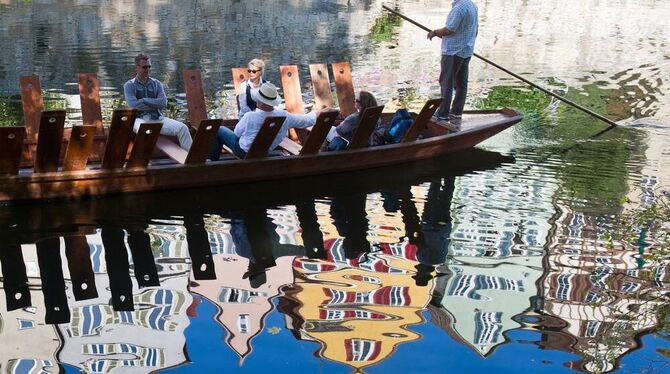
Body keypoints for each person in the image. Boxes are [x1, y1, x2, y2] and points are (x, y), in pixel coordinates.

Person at [209, 82, 317, 160]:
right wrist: (319, 113)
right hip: (265, 151)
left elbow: (237, 133)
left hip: (244, 152)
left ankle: (212, 162)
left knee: (219, 130)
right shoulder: (284, 116)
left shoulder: (250, 116)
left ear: (261, 101)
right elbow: (306, 120)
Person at [124, 53, 193, 150]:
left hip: (157, 118)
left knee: (183, 128)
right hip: (138, 119)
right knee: (144, 129)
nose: (148, 69)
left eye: (149, 66)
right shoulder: (129, 85)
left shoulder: (157, 84)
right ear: (137, 67)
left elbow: (163, 103)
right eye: (144, 67)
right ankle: (142, 161)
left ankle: (191, 159)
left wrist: (144, 100)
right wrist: (155, 103)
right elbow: (134, 105)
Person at [427, 0, 479, 121]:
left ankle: (443, 113)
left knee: (447, 83)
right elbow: (475, 31)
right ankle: (456, 112)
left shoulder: (459, 8)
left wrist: (435, 32)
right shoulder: (472, 6)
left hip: (452, 52)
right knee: (461, 83)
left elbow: (449, 30)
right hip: (466, 51)